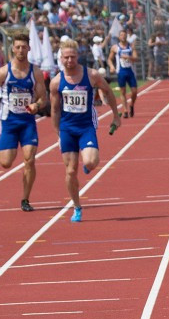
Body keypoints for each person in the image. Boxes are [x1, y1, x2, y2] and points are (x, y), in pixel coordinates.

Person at [50, 39, 120, 222]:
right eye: (66, 57)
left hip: (86, 127)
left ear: (78, 56)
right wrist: (57, 131)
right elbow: (55, 109)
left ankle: (87, 166)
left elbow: (109, 91)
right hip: (67, 129)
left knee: (91, 162)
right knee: (71, 171)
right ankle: (77, 207)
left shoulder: (92, 75)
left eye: (73, 57)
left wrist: (116, 115)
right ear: (61, 58)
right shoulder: (56, 82)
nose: (69, 61)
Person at [0, 33, 48, 212]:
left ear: (29, 48)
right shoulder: (5, 71)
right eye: (17, 47)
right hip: (9, 122)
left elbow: (44, 98)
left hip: (27, 122)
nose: (21, 50)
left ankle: (25, 199)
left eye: (24, 47)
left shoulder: (35, 72)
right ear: (13, 48)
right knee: (6, 162)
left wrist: (36, 104)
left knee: (29, 159)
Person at [107, 29, 138, 118]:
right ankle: (125, 110)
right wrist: (112, 66)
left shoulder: (131, 46)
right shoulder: (115, 47)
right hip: (121, 72)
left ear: (126, 36)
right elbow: (109, 59)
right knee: (123, 91)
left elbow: (136, 58)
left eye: (124, 35)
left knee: (134, 91)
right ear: (119, 37)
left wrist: (128, 57)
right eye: (121, 35)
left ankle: (131, 104)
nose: (123, 36)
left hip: (130, 71)